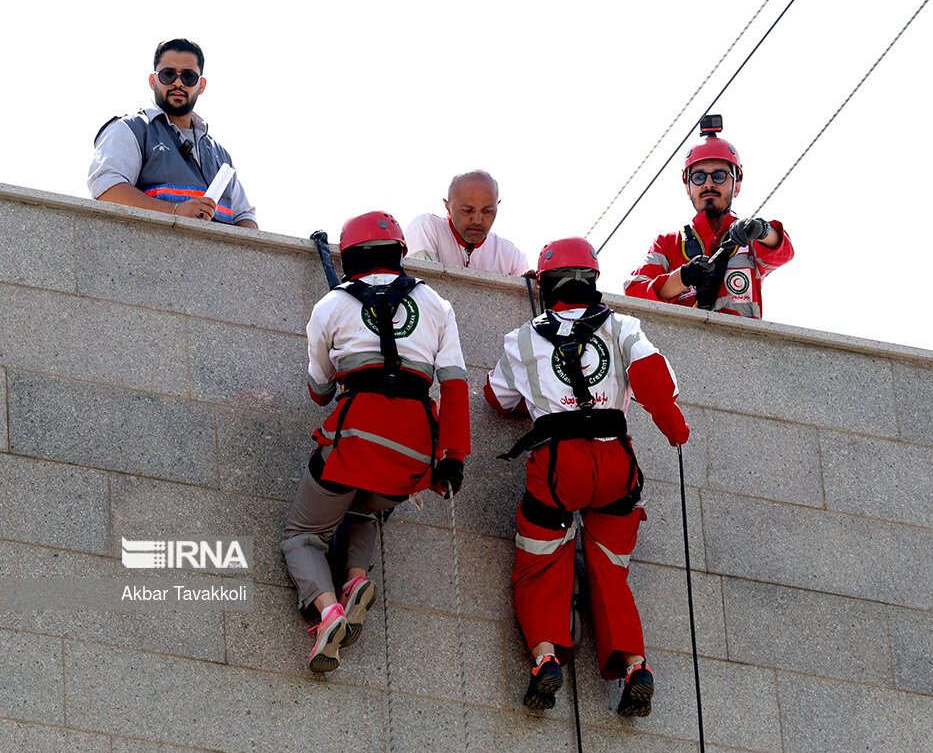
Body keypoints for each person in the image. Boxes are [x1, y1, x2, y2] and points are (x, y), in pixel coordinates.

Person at [484, 237, 690, 717]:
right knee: (610, 569)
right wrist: (675, 431)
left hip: (558, 465)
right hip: (617, 462)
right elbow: (657, 381)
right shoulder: (623, 326)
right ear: (593, 280)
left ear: (545, 283)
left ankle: (546, 658)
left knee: (539, 564)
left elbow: (496, 399)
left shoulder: (521, 339)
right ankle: (636, 666)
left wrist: (542, 401)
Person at [281, 211, 470, 673]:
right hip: (414, 447)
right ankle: (356, 577)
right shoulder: (438, 305)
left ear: (350, 257)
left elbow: (319, 391)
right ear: (400, 252)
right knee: (365, 510)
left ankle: (329, 612)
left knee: (303, 536)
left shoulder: (331, 305)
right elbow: (456, 385)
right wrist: (453, 458)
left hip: (355, 435)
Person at [623, 115, 792, 318]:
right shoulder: (668, 245)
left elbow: (782, 250)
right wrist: (683, 277)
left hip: (743, 346)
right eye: (699, 176)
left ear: (736, 185)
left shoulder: (749, 241)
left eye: (719, 175)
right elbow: (634, 293)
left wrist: (761, 229)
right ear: (688, 186)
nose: (708, 184)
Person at [87, 38, 258, 228]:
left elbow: (244, 215)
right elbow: (106, 188)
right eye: (168, 74)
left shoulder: (220, 155)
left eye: (188, 76)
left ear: (201, 85)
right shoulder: (130, 129)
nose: (178, 83)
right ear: (153, 81)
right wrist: (174, 211)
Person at [403, 170, 528, 274]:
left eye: (487, 211)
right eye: (467, 211)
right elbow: (423, 293)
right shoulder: (426, 229)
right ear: (448, 207)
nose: (478, 220)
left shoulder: (512, 257)